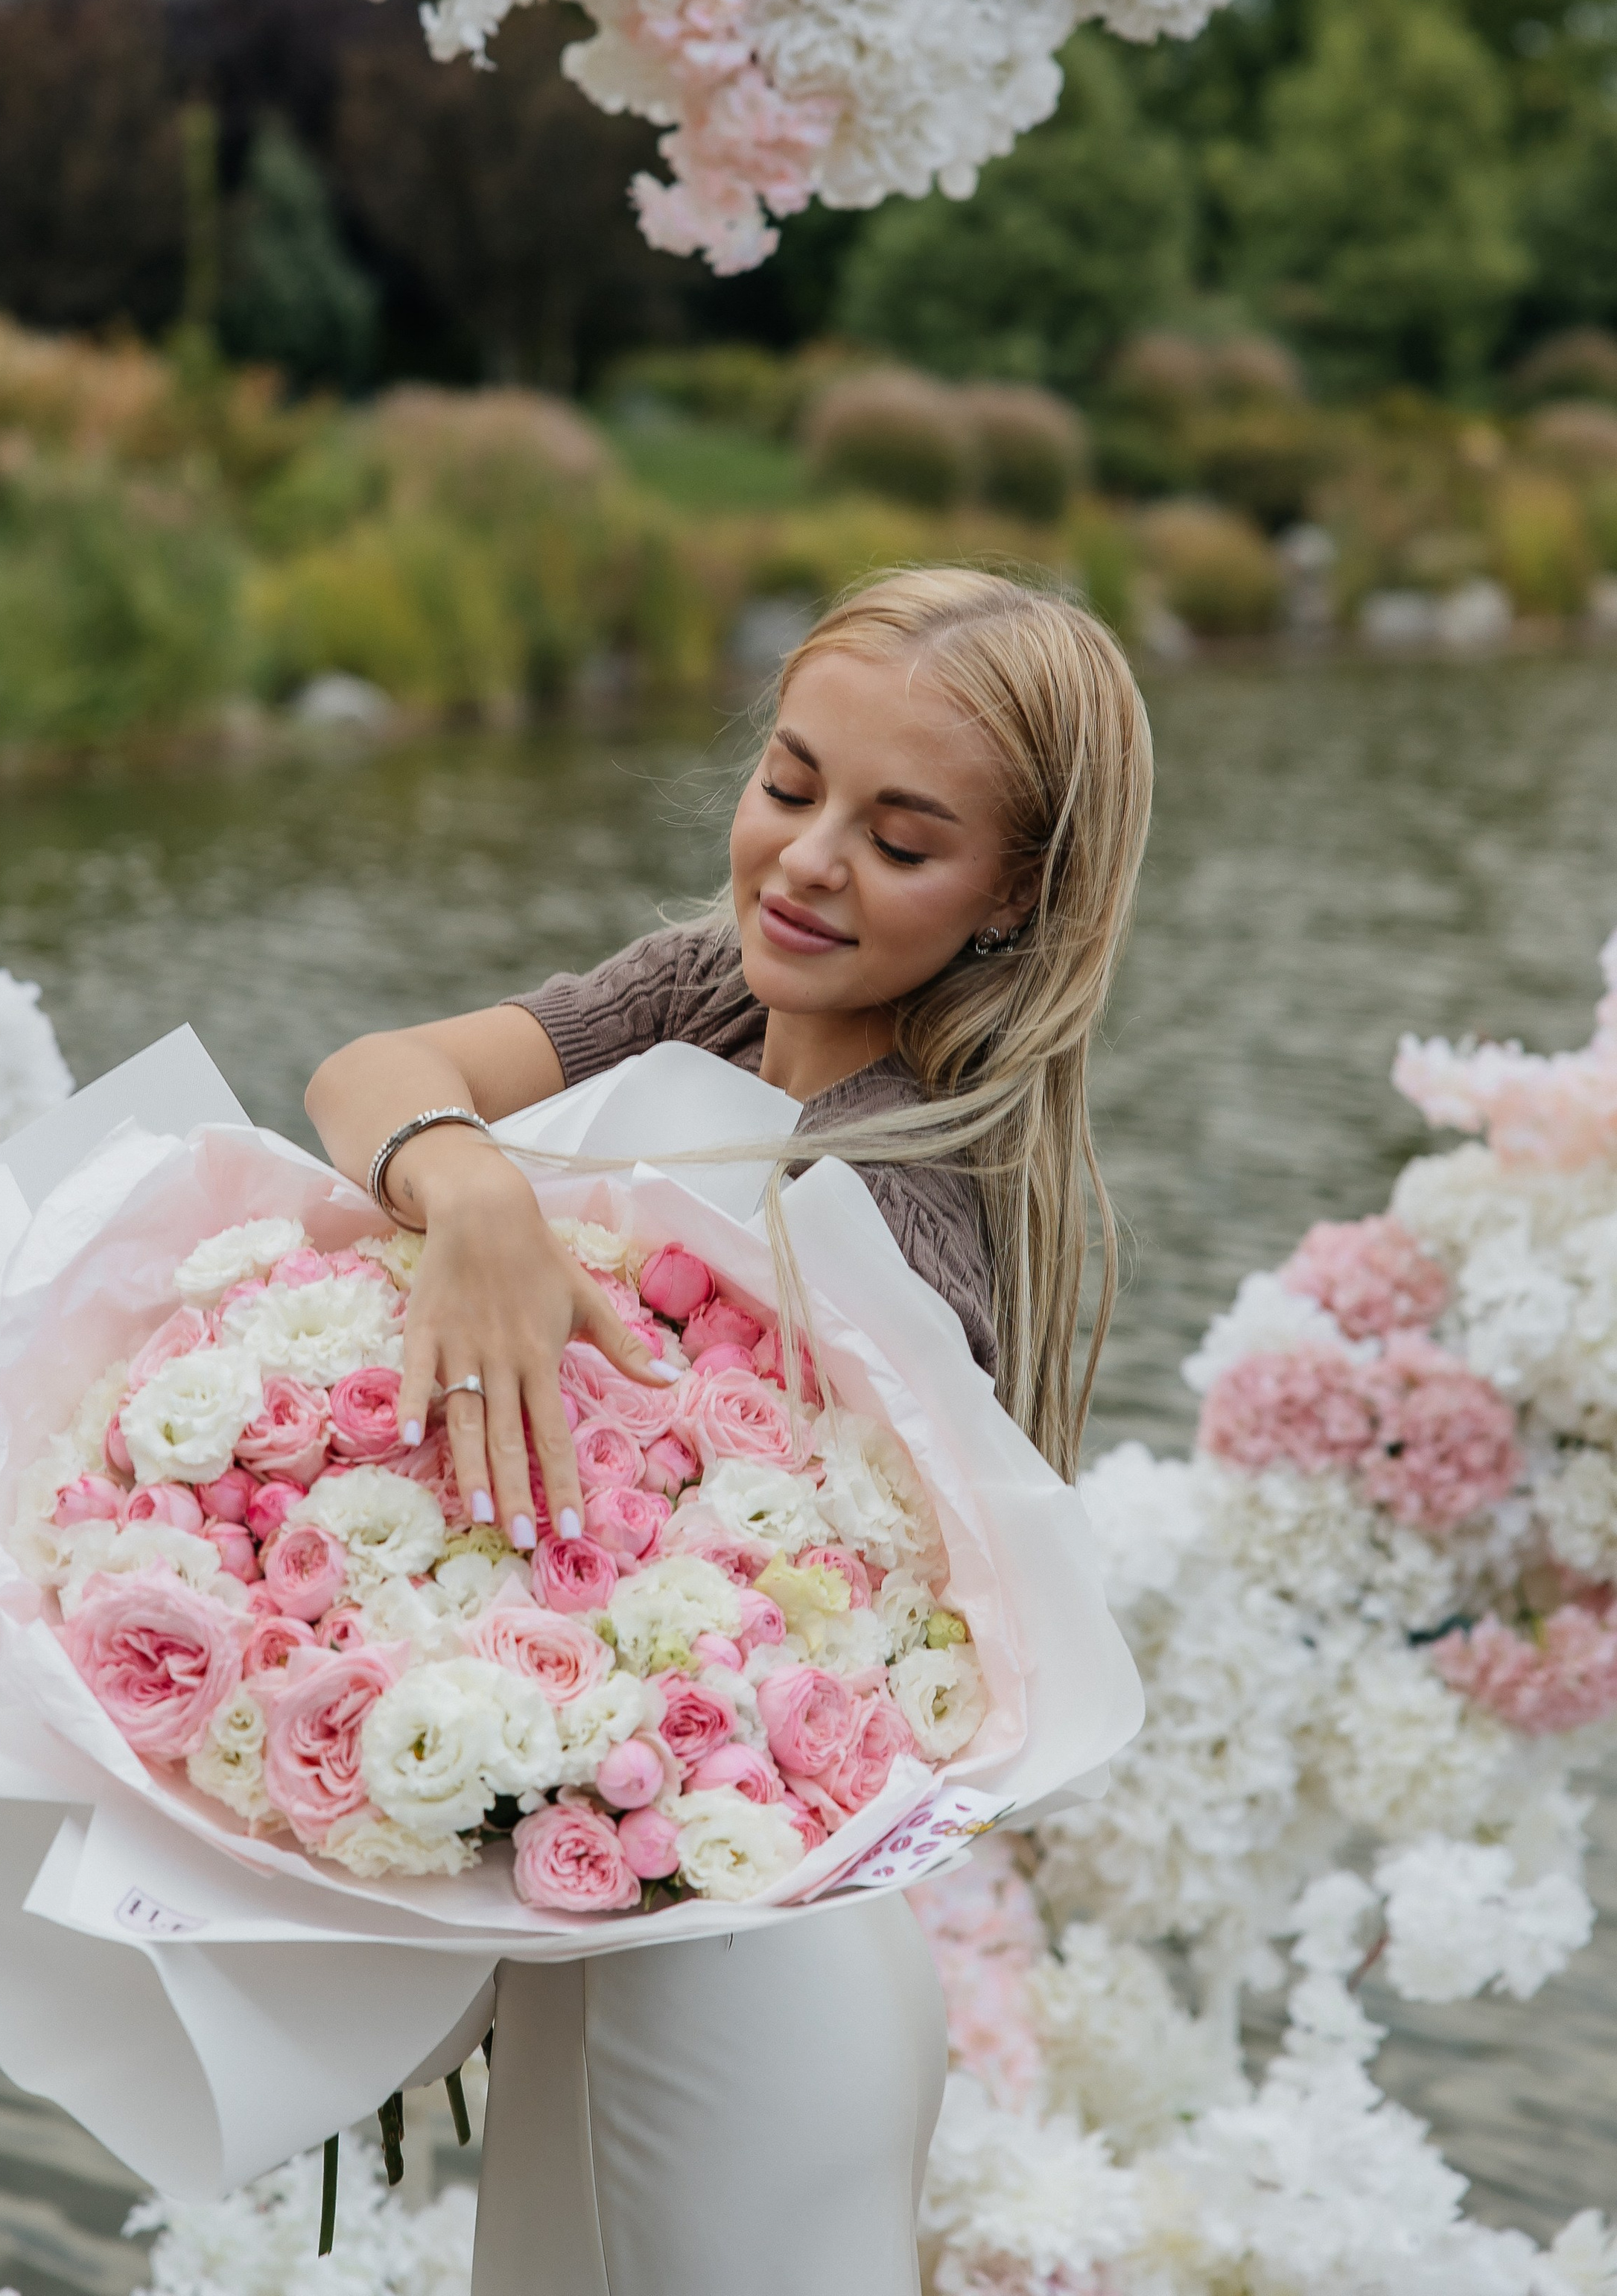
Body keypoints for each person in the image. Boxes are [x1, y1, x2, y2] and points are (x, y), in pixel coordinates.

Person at [305, 566, 1154, 2296]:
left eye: (898, 841)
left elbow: (711, 1618)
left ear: (1015, 894)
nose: (808, 861)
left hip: (746, 1974)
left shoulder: (899, 1202)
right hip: (625, 1918)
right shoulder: (707, 993)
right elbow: (368, 1072)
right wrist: (465, 1184)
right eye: (788, 784)